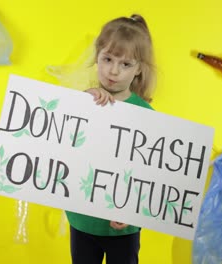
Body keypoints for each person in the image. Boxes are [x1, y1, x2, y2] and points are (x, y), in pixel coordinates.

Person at [65, 14, 156, 264]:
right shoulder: (83, 102)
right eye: (107, 59)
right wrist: (84, 100)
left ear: (139, 69)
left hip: (122, 228)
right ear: (97, 57)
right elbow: (64, 144)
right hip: (82, 220)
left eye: (125, 64)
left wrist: (134, 212)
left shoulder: (147, 117)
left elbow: (150, 176)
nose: (113, 71)